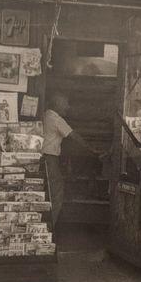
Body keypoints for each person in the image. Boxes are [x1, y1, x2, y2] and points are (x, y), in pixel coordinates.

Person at [42, 93, 98, 227]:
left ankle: (45, 225)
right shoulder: (56, 119)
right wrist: (91, 149)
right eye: (65, 103)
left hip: (43, 158)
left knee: (46, 191)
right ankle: (49, 228)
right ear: (58, 104)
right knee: (57, 193)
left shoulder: (45, 115)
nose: (67, 107)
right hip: (50, 159)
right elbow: (74, 136)